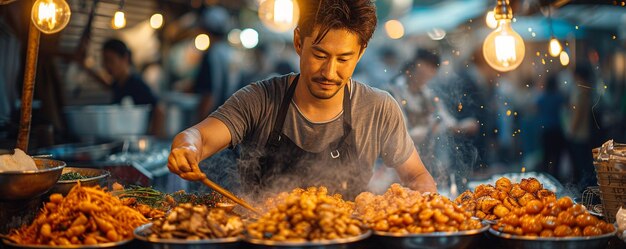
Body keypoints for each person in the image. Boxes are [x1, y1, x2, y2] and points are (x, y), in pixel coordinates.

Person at [167, 0, 436, 200]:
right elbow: (197, 137)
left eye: (343, 59)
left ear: (361, 52)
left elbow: (417, 177)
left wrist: (420, 202)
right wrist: (187, 149)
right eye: (320, 55)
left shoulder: (378, 109)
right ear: (298, 42)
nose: (329, 72)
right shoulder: (260, 99)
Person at [387, 49, 477, 194]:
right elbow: (398, 134)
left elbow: (446, 121)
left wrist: (461, 126)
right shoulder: (392, 92)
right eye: (422, 71)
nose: (425, 77)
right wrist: (430, 128)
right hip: (396, 165)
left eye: (430, 73)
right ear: (412, 67)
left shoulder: (428, 95)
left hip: (425, 162)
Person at [102, 39, 164, 136]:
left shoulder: (136, 84)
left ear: (125, 58)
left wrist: (153, 139)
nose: (107, 66)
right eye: (105, 61)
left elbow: (159, 109)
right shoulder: (117, 84)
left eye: (110, 60)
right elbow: (104, 83)